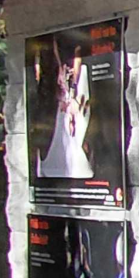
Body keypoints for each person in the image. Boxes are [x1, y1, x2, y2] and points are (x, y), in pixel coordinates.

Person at [39, 45, 95, 179]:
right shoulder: (58, 51)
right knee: (63, 121)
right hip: (67, 80)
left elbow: (77, 58)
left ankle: (78, 162)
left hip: (77, 83)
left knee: (78, 121)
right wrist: (62, 74)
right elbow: (57, 53)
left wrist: (72, 90)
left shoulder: (79, 59)